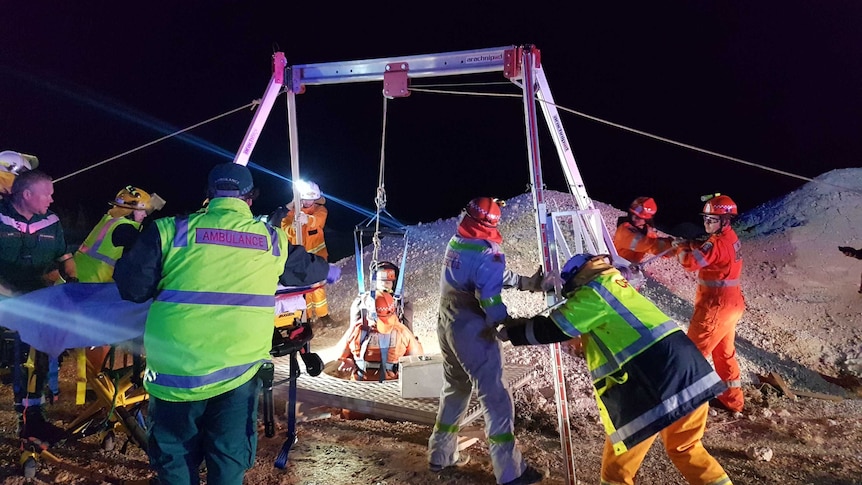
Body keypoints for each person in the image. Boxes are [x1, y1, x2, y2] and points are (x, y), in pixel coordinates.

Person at [114, 163, 339, 485]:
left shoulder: (169, 230)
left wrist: (130, 248)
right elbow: (307, 268)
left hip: (175, 373)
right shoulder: (270, 240)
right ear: (249, 199)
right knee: (228, 459)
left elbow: (132, 290)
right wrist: (330, 271)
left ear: (208, 195)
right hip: (237, 371)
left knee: (175, 458)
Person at [495, 253, 733, 485]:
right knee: (687, 448)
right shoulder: (617, 286)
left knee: (616, 472)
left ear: (577, 279)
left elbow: (556, 327)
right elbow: (613, 330)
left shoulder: (595, 292)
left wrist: (513, 332)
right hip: (690, 375)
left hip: (649, 388)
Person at [427, 196, 545, 485]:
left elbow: (479, 274)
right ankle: (510, 472)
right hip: (472, 328)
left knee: (455, 387)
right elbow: (488, 294)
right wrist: (503, 322)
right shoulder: (489, 251)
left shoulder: (458, 241)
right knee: (495, 398)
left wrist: (522, 282)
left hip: (446, 322)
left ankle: (440, 454)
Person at [0, 169, 77, 443]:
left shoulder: (51, 221)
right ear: (27, 194)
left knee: (38, 358)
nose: (52, 199)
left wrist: (74, 282)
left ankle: (33, 419)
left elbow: (64, 258)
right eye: (47, 193)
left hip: (38, 303)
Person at [672, 194, 745, 413]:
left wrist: (680, 247)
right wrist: (694, 243)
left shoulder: (716, 243)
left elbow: (691, 263)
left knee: (691, 354)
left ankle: (680, 405)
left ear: (725, 220)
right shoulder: (730, 237)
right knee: (724, 354)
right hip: (731, 305)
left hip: (715, 307)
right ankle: (732, 401)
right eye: (706, 219)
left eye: (712, 220)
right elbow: (712, 252)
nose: (707, 223)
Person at [278, 179, 332, 324]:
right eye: (306, 199)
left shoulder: (320, 210)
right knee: (302, 289)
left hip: (317, 258)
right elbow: (285, 228)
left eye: (311, 199)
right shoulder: (292, 213)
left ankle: (323, 315)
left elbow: (318, 220)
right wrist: (294, 227)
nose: (308, 202)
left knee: (318, 287)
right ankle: (306, 317)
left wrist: (307, 219)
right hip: (299, 259)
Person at [337, 292, 423, 381]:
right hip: (390, 385)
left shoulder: (356, 330)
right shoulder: (402, 332)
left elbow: (340, 356)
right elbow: (417, 361)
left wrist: (351, 361)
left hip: (359, 384)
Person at [349, 260, 415, 332]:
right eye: (381, 281)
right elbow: (353, 329)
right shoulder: (362, 300)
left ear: (394, 283)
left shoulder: (403, 303)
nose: (384, 284)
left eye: (388, 281)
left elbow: (408, 330)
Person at [613, 196, 674, 264]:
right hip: (617, 264)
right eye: (633, 215)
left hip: (630, 265)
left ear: (647, 220)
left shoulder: (646, 231)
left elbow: (657, 244)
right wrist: (671, 246)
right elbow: (647, 244)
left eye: (639, 217)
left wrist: (673, 246)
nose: (634, 219)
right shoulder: (624, 229)